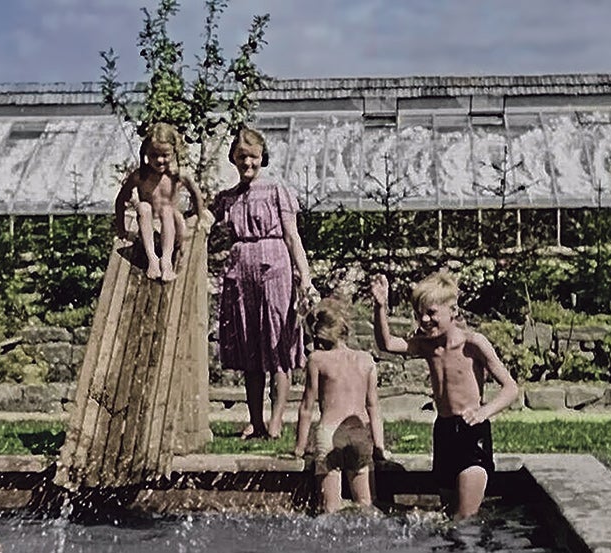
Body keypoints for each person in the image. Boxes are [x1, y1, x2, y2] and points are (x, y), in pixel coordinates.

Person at [370, 271, 519, 521]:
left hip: (472, 432)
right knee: (448, 516)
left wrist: (483, 412)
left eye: (431, 313)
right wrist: (380, 306)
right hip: (444, 432)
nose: (424, 320)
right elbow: (387, 344)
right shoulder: (427, 345)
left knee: (464, 518)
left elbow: (511, 388)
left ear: (453, 310)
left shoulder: (473, 344)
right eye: (420, 314)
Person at [211, 127, 313, 439]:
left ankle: (277, 419)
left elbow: (292, 236)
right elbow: (202, 224)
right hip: (241, 271)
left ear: (262, 157)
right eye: (241, 156)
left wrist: (305, 278)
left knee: (277, 345)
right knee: (249, 349)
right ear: (233, 158)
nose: (247, 162)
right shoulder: (227, 198)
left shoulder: (276, 190)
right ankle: (255, 420)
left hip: (276, 268)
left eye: (253, 156)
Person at [293, 296, 389, 513]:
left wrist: (300, 447)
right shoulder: (366, 360)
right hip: (359, 433)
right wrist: (379, 446)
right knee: (366, 506)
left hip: (329, 433)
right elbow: (373, 407)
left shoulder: (317, 360)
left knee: (329, 510)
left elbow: (307, 407)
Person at [114, 122, 207, 282]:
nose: (159, 160)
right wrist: (121, 229)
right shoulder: (140, 176)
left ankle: (166, 260)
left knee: (167, 210)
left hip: (173, 231)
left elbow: (196, 194)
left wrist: (200, 219)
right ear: (145, 153)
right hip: (149, 233)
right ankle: (153, 260)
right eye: (154, 155)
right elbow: (121, 199)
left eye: (165, 155)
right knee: (143, 207)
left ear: (174, 152)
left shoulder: (178, 175)